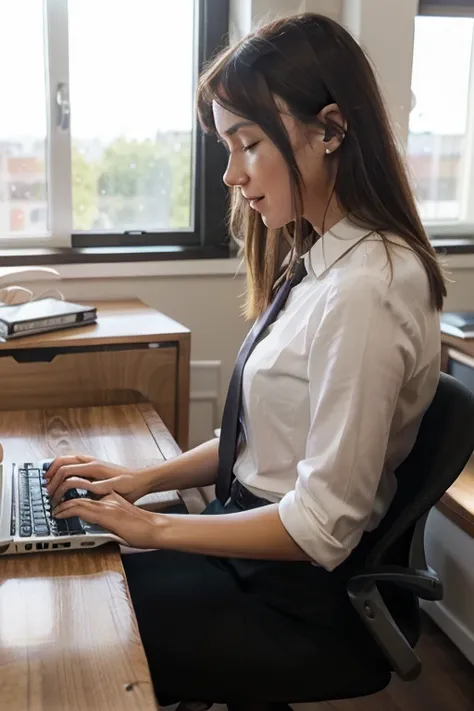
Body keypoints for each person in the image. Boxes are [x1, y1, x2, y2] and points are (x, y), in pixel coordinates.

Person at [44, 13, 446, 708]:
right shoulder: (320, 260)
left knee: (73, 630)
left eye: (248, 143)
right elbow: (262, 439)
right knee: (77, 583)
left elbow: (321, 527)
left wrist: (155, 526)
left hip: (298, 603)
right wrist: (142, 481)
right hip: (251, 553)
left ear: (330, 130)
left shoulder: (369, 288)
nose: (230, 174)